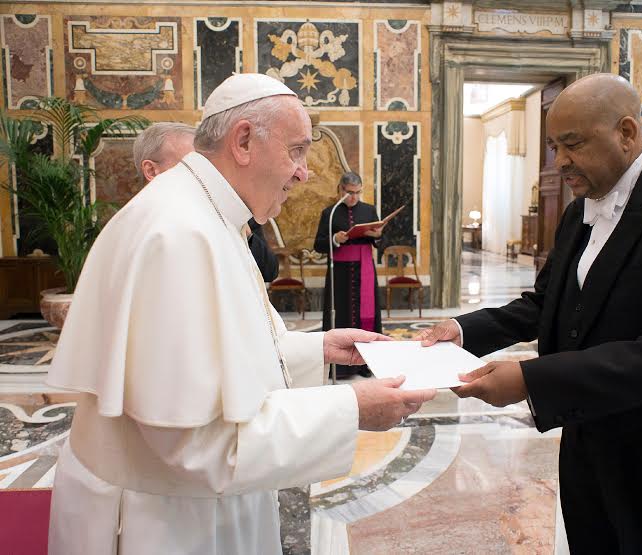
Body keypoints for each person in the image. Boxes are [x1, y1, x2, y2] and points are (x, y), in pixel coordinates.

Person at [47, 73, 435, 555]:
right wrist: (351, 408)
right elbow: (194, 444)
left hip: (190, 507)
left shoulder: (209, 216)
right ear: (244, 140)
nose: (304, 173)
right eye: (297, 151)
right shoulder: (181, 234)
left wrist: (319, 347)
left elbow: (228, 355)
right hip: (165, 522)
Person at [417, 74, 642, 554]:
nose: (560, 162)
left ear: (626, 132)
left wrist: (531, 380)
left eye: (573, 144)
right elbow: (546, 303)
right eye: (554, 146)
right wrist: (463, 330)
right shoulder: (580, 211)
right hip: (590, 440)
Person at [133, 121, 278, 282]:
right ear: (152, 170)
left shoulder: (231, 208)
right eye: (190, 166)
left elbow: (269, 271)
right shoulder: (132, 229)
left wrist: (243, 234)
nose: (203, 175)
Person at [314, 171, 383, 379]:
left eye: (357, 192)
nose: (354, 197)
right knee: (340, 316)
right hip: (340, 275)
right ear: (340, 190)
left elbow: (381, 240)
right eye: (350, 193)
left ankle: (365, 364)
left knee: (366, 315)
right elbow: (318, 245)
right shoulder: (330, 213)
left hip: (365, 270)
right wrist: (335, 239)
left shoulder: (369, 210)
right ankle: (340, 367)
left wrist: (377, 236)